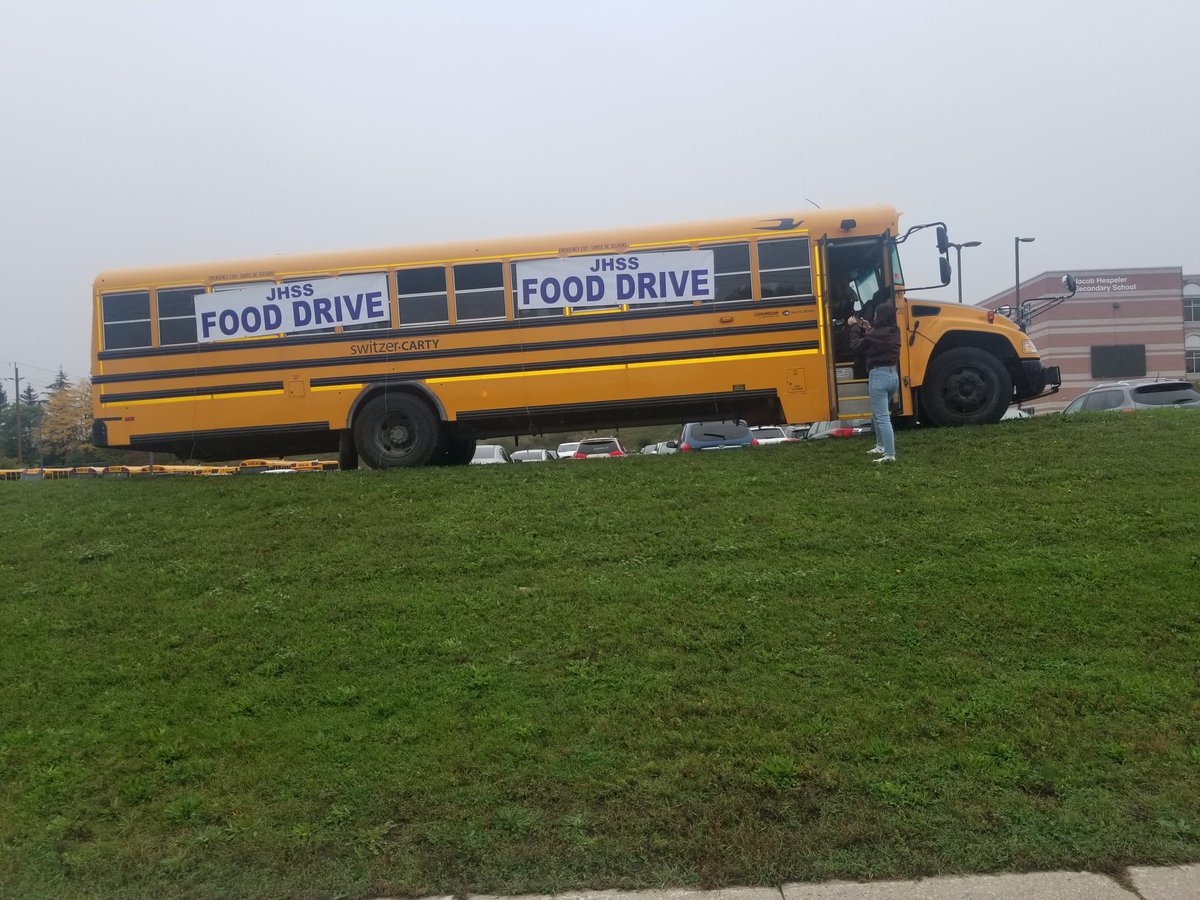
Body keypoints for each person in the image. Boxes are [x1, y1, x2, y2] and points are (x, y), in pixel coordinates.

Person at [847, 302, 901, 463]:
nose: (874, 316)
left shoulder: (874, 335)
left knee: (882, 417)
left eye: (876, 314)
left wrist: (854, 327)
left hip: (878, 376)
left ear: (880, 317)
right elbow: (877, 338)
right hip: (893, 376)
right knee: (878, 413)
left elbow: (856, 346)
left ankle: (889, 454)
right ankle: (880, 445)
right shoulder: (895, 332)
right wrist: (868, 328)